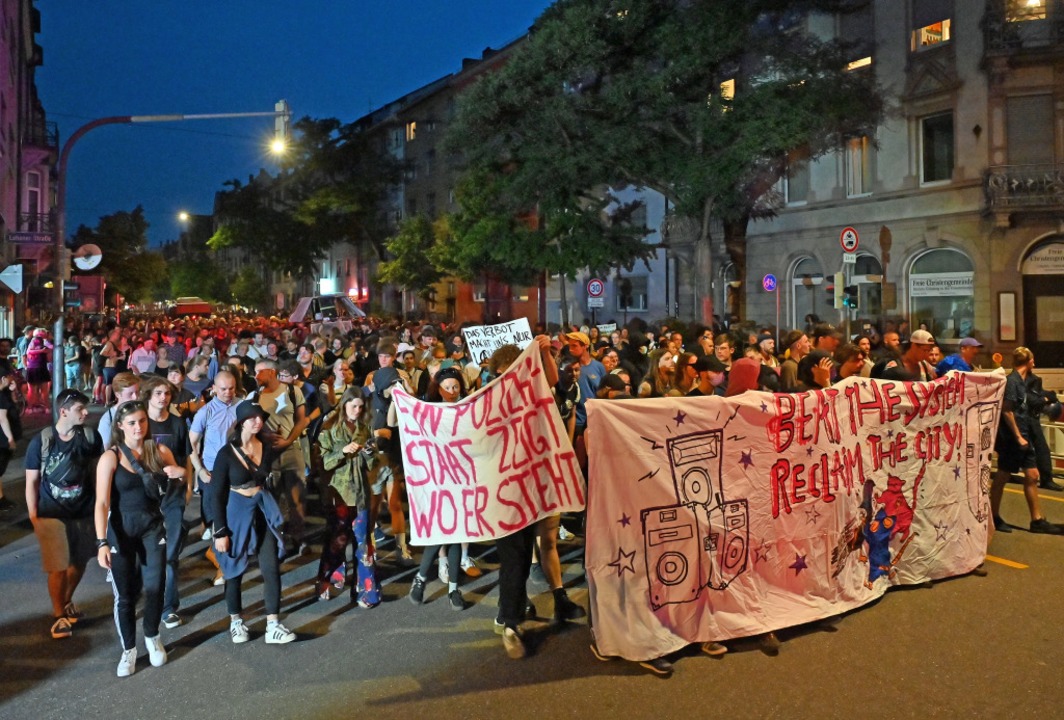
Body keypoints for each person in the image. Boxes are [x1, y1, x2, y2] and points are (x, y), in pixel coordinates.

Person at [95, 400, 186, 677]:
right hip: (121, 531)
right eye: (132, 422)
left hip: (152, 528)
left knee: (155, 585)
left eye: (142, 421)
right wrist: (101, 543)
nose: (138, 427)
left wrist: (180, 473)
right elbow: (101, 502)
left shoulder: (158, 450)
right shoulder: (110, 456)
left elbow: (183, 477)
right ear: (120, 426)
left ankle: (152, 636)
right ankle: (129, 650)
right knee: (125, 595)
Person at [208, 400, 296, 645]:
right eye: (253, 417)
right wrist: (220, 530)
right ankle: (236, 621)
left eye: (260, 417)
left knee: (270, 567)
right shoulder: (226, 454)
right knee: (233, 569)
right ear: (242, 421)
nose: (258, 422)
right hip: (236, 510)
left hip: (260, 508)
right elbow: (216, 493)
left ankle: (273, 625)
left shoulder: (266, 446)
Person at [24, 389, 103, 639]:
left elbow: (96, 473)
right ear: (64, 411)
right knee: (57, 567)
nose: (85, 413)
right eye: (80, 409)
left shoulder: (90, 436)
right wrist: (34, 516)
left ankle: (65, 600)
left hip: (83, 511)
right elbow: (32, 482)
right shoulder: (42, 441)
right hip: (51, 512)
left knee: (79, 562)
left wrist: (101, 506)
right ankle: (59, 615)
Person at [408, 367, 473, 611]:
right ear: (438, 388)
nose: (452, 391)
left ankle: (453, 589)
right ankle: (422, 578)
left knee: (457, 534)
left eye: (456, 387)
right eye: (448, 387)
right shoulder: (428, 410)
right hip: (437, 479)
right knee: (440, 532)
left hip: (461, 478)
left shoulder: (466, 408)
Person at [315, 387, 381, 607]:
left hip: (360, 492)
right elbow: (324, 463)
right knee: (337, 541)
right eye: (353, 405)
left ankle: (366, 591)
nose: (357, 410)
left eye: (361, 407)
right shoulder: (330, 429)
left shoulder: (364, 428)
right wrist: (342, 451)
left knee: (363, 543)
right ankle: (326, 580)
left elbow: (372, 465)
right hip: (338, 494)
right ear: (344, 405)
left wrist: (370, 454)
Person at [990, 347, 1064, 537]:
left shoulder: (1024, 381)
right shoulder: (1012, 381)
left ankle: (1037, 520)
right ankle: (993, 515)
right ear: (1028, 361)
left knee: (1032, 475)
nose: (1034, 362)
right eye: (1033, 359)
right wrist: (1018, 436)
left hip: (1025, 433)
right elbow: (1007, 410)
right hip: (1013, 437)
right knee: (1003, 476)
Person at [140, 376, 193, 630]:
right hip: (144, 499)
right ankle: (150, 596)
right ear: (148, 396)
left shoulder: (178, 423)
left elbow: (187, 457)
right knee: (148, 554)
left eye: (167, 394)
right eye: (159, 393)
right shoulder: (139, 423)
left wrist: (189, 484)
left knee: (170, 555)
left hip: (172, 496)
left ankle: (169, 607)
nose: (163, 398)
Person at [189, 367, 241, 581]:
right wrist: (199, 470)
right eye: (223, 389)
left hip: (237, 471)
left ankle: (225, 557)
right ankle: (221, 563)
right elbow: (191, 443)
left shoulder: (241, 406)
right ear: (214, 389)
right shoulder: (206, 411)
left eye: (231, 388)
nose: (227, 392)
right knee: (217, 519)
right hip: (212, 472)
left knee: (234, 517)